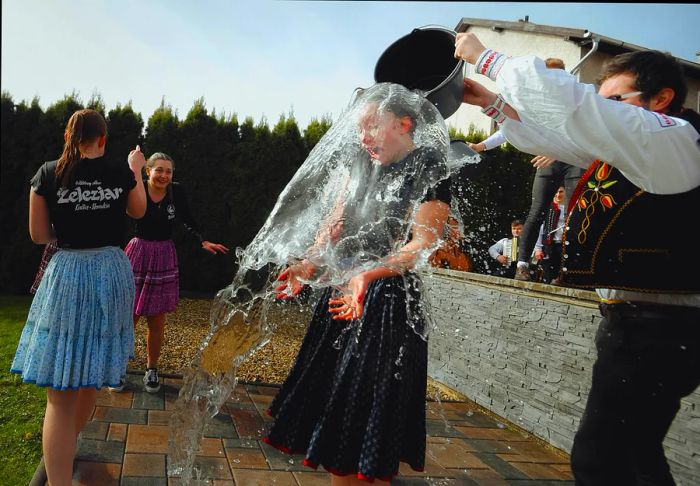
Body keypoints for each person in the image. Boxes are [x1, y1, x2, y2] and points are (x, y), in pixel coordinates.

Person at [456, 33, 700, 485]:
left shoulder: (678, 139)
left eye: (616, 101)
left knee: (602, 460)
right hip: (641, 323)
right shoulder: (638, 147)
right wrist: (493, 106)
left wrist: (488, 58)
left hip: (659, 326)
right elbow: (565, 136)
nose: (605, 111)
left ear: (662, 98)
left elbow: (576, 110)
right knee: (634, 454)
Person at [264, 86, 451, 484]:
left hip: (386, 306)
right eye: (360, 128)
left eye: (371, 127)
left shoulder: (429, 166)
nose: (362, 136)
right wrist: (309, 263)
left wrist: (367, 274)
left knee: (368, 435)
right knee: (337, 431)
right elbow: (332, 230)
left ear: (404, 124)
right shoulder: (360, 164)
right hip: (343, 298)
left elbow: (423, 244)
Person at [10, 108, 147, 486]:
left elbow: (39, 235)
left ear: (70, 136)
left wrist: (72, 226)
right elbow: (139, 210)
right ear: (102, 138)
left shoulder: (47, 173)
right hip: (111, 272)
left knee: (60, 397)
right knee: (90, 375)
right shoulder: (120, 170)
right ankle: (67, 445)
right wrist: (136, 169)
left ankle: (58, 472)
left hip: (67, 272)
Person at [115, 152, 229, 393]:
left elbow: (188, 220)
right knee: (129, 317)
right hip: (137, 254)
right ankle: (118, 369)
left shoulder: (176, 192)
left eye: (168, 171)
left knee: (156, 319)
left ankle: (151, 369)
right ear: (148, 171)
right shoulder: (136, 188)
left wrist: (202, 240)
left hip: (164, 256)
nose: (164, 175)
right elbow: (117, 217)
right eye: (159, 170)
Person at [533, 186, 566, 285]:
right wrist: (538, 248)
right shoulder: (547, 208)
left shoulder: (571, 209)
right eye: (556, 192)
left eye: (561, 192)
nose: (558, 195)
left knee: (564, 276)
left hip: (565, 246)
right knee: (548, 275)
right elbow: (540, 230)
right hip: (550, 246)